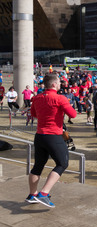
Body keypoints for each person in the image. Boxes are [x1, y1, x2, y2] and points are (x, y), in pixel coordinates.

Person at [25, 74, 77, 208]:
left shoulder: (36, 98)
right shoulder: (60, 98)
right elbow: (73, 114)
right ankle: (44, 193)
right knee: (62, 163)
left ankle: (32, 194)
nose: (60, 84)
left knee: (38, 165)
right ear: (54, 84)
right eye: (59, 82)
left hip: (39, 136)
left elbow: (34, 114)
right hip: (53, 136)